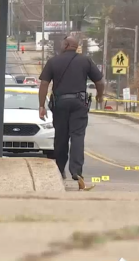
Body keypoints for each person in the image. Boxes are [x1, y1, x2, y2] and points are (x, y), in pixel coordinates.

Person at [38, 36, 105, 190]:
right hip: (79, 104)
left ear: (66, 45)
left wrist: (41, 106)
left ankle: (59, 170)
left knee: (61, 138)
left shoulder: (53, 61)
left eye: (63, 42)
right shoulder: (85, 61)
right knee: (77, 137)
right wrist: (100, 96)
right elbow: (100, 82)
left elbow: (44, 83)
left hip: (60, 104)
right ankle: (77, 172)